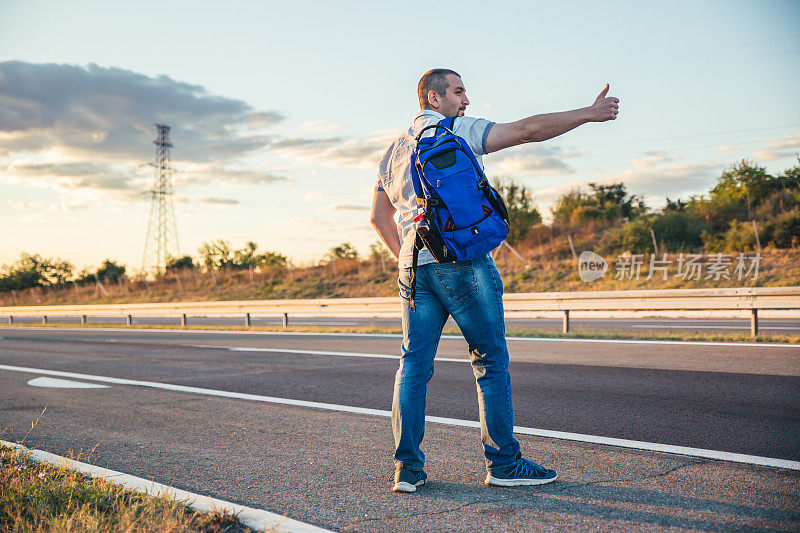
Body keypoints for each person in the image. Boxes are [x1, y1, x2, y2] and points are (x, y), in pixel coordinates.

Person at [371, 68, 619, 492]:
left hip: (414, 268)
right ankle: (503, 463)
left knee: (412, 366)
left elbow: (378, 218)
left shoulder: (393, 152)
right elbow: (527, 130)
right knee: (490, 362)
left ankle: (407, 469)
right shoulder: (459, 130)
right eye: (458, 91)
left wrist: (411, 261)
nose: (466, 100)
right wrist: (589, 113)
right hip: (465, 263)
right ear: (434, 99)